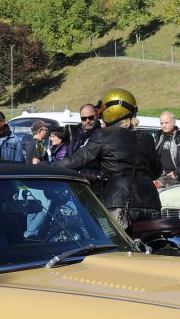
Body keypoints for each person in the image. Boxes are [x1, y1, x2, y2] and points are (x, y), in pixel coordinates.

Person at [64, 87, 161, 228]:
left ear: (110, 111)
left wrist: (42, 167)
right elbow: (157, 171)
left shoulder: (104, 135)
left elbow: (76, 160)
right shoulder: (146, 138)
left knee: (105, 238)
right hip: (152, 204)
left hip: (119, 205)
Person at [155, 111, 180, 186]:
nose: (164, 126)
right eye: (162, 123)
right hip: (160, 178)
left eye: (166, 123)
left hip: (179, 179)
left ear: (173, 122)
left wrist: (177, 173)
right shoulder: (158, 137)